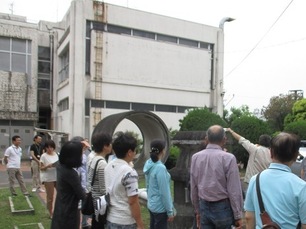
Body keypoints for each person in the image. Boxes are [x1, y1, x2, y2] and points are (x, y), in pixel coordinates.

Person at [244, 132, 306, 228]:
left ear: (271, 152)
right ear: (295, 155)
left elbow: (249, 216)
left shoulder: (255, 179)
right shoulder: (301, 186)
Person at [190, 125, 243, 229]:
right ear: (224, 139)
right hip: (223, 208)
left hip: (204, 206)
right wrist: (238, 215)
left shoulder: (195, 157)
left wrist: (197, 211)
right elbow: (234, 190)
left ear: (206, 139)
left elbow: (194, 187)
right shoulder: (229, 158)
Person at [104, 132, 144, 229]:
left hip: (110, 218)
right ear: (129, 152)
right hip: (126, 221)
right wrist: (140, 224)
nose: (135, 153)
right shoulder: (130, 172)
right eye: (135, 151)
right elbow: (133, 201)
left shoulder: (108, 166)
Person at [51, 141, 86, 229]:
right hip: (70, 211)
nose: (82, 155)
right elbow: (81, 195)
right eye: (81, 153)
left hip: (60, 206)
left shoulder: (60, 165)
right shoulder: (71, 173)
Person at [143, 139, 175, 229]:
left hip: (152, 204)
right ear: (162, 151)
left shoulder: (148, 163)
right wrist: (170, 211)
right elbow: (164, 192)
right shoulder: (160, 168)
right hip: (160, 208)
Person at [88, 132, 112, 229]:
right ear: (104, 146)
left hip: (94, 199)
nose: (111, 146)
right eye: (109, 143)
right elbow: (103, 189)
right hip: (100, 204)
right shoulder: (102, 163)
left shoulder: (94, 158)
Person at [40, 139, 58, 219]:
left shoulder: (56, 154)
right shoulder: (43, 156)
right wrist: (48, 166)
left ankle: (58, 211)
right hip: (48, 178)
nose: (50, 149)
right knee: (50, 197)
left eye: (51, 147)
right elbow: (41, 168)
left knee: (61, 195)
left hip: (57, 177)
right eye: (48, 147)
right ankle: (50, 213)